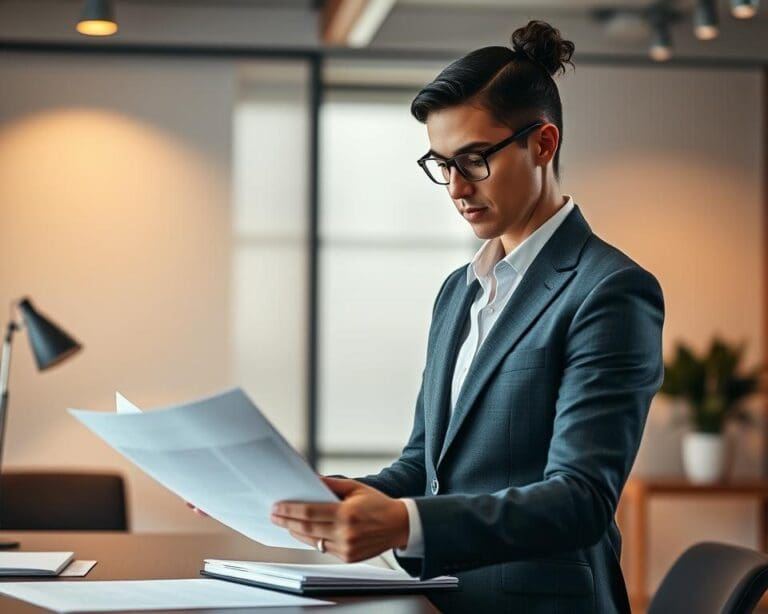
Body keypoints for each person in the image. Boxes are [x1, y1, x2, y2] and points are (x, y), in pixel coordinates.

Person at [270, 20, 664, 614]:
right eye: (441, 163)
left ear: (543, 144)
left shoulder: (610, 290)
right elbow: (424, 467)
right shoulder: (459, 291)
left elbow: (580, 500)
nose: (455, 187)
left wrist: (403, 523)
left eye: (475, 160)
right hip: (443, 597)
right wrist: (318, 498)